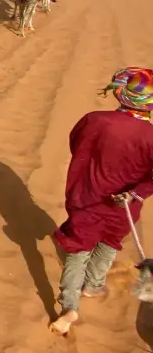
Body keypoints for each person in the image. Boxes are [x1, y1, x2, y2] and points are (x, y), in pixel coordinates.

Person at [49, 67, 153, 335]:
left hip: (86, 197)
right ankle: (92, 286)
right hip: (125, 207)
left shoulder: (94, 120)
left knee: (78, 248)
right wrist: (135, 192)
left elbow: (77, 144)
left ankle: (69, 305)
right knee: (109, 243)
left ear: (119, 93)